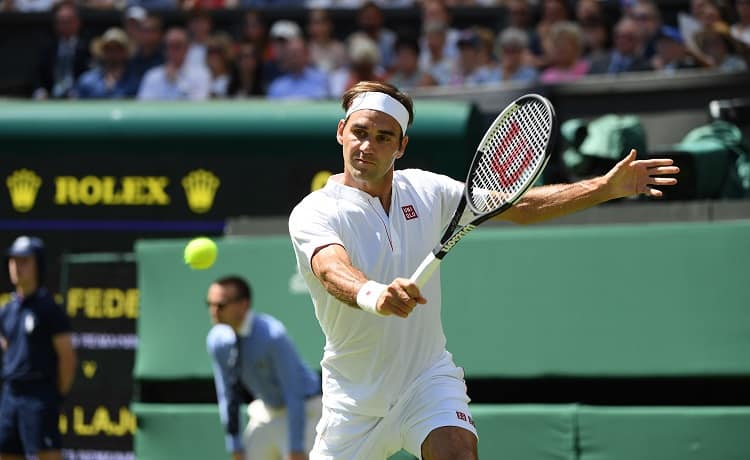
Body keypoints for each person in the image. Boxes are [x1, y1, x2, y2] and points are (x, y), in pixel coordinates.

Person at [287, 81, 679, 459]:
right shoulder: (315, 211)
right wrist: (376, 295)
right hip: (354, 402)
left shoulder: (428, 190)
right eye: (359, 132)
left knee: (457, 452)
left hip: (425, 380)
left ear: (401, 146)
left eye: (383, 137)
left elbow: (520, 207)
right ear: (341, 132)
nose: (367, 145)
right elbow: (330, 269)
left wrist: (604, 188)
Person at [205, 276, 321, 460]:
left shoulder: (272, 335)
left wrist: (296, 447)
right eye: (209, 304)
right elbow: (226, 395)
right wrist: (234, 443)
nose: (213, 311)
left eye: (221, 305)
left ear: (244, 304)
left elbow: (294, 392)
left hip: (305, 410)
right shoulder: (216, 342)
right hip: (267, 411)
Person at [0, 236, 76, 460]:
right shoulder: (6, 311)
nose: (17, 267)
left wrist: (52, 396)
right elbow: (7, 348)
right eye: (13, 261)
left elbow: (68, 358)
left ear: (38, 266)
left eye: (25, 262)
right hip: (10, 396)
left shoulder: (49, 309)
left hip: (39, 397)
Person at [137, 27, 210, 100]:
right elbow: (144, 107)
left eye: (178, 46)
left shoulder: (201, 75)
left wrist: (177, 83)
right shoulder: (152, 76)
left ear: (187, 48)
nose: (173, 51)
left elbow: (200, 106)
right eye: (169, 46)